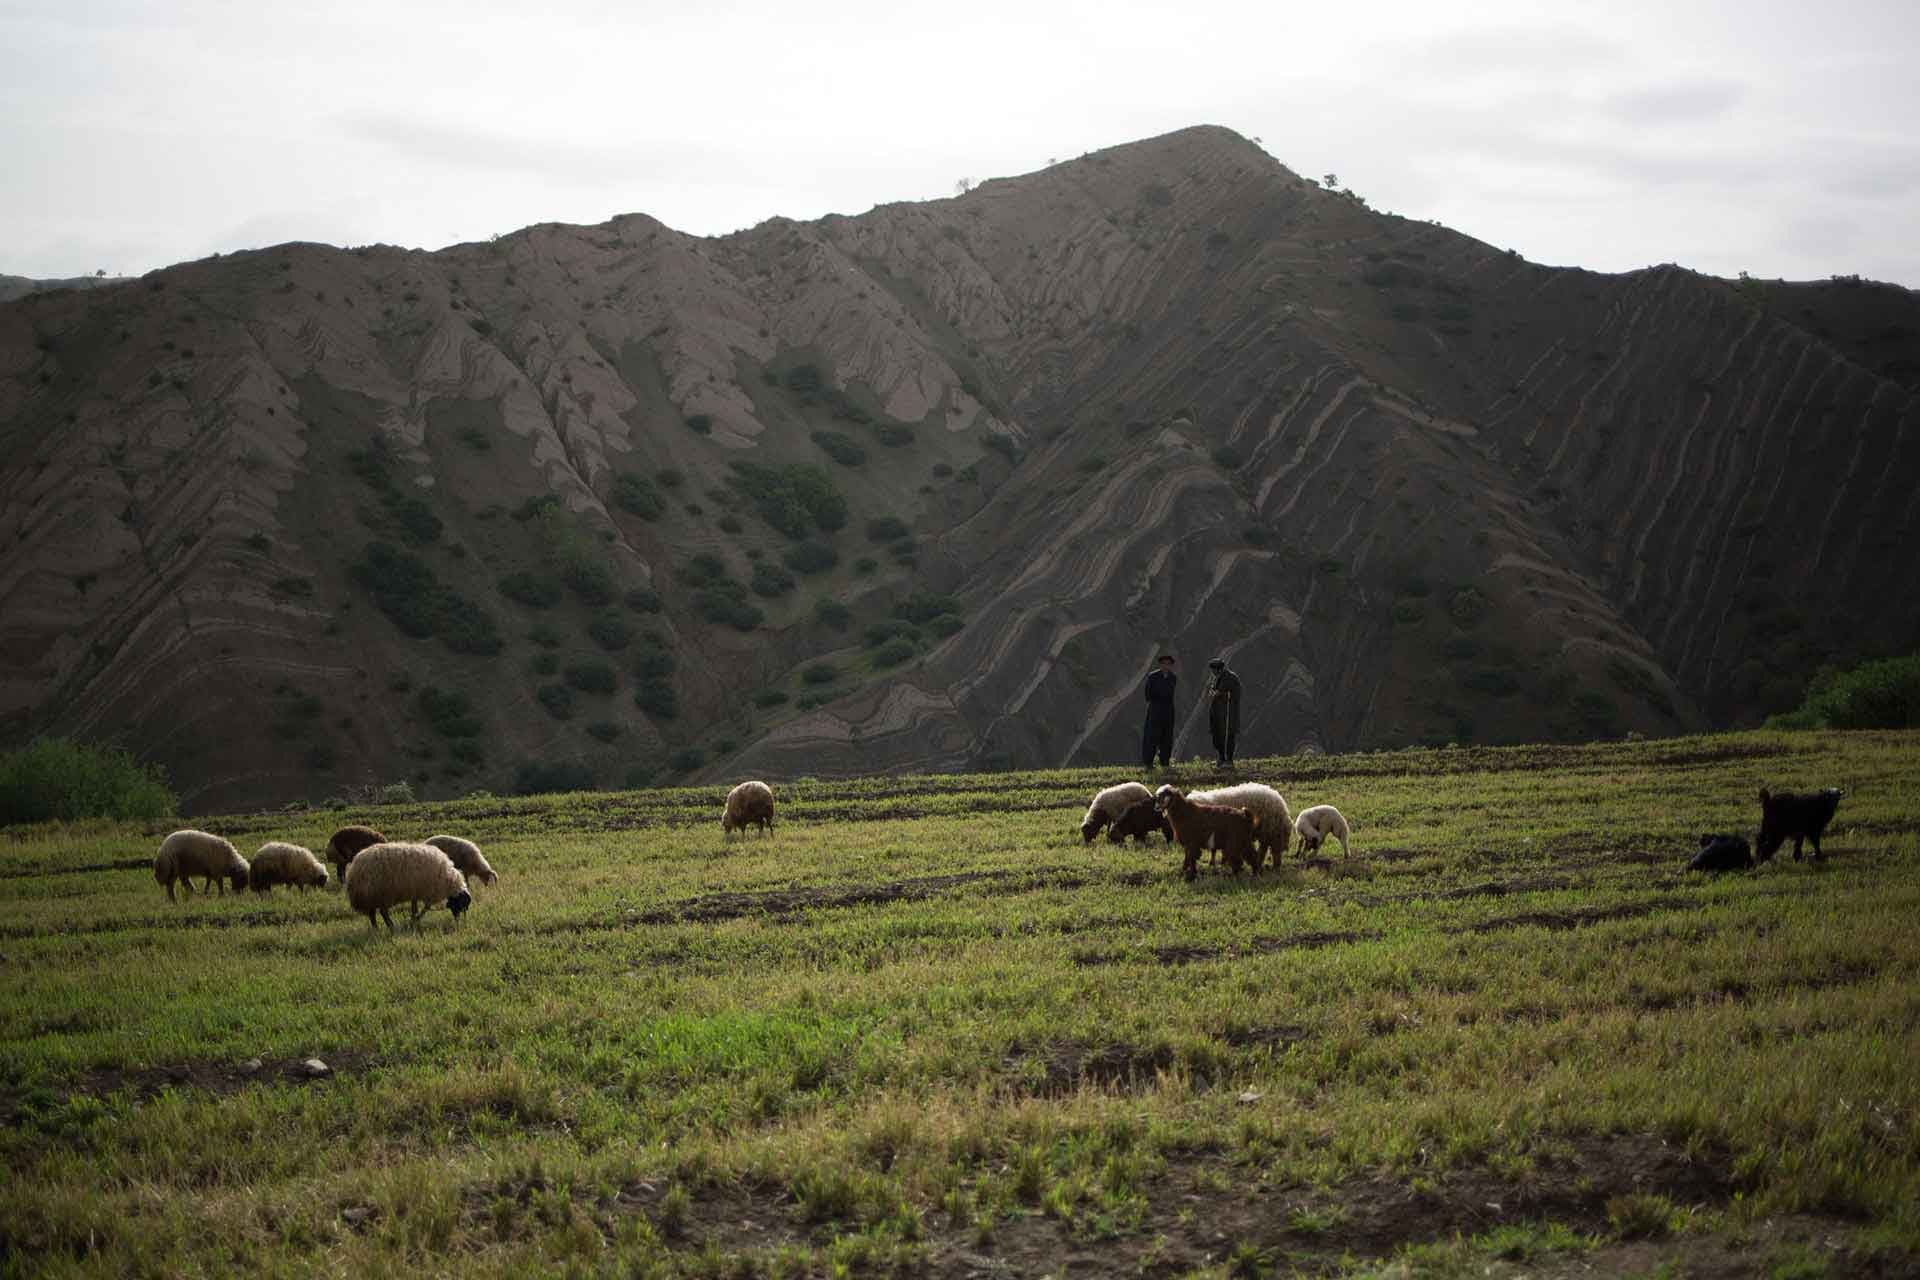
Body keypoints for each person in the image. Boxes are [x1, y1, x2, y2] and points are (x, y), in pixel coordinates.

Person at [1141, 654, 1177, 768]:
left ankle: (1165, 762)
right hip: (1155, 710)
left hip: (1168, 711)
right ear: (1160, 665)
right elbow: (1148, 694)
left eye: (1168, 664)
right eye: (1164, 664)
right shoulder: (1153, 677)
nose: (1166, 666)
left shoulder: (1173, 677)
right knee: (1152, 737)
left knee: (1167, 737)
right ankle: (1148, 762)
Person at [1206, 657, 1242, 766]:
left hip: (1227, 714)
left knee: (1227, 736)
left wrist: (1215, 693)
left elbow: (1218, 693)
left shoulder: (1229, 677)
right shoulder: (1218, 677)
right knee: (1217, 736)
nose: (1212, 673)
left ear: (1218, 669)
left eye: (1213, 670)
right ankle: (1221, 758)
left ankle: (1229, 760)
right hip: (1217, 712)